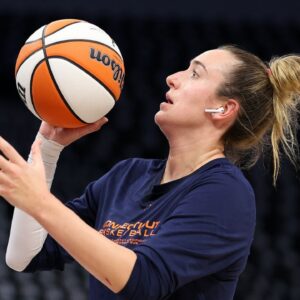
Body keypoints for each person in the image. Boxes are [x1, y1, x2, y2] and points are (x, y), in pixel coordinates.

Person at [1, 45, 299, 300]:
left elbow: (142, 281)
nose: (172, 78)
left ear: (223, 110)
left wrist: (40, 202)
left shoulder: (225, 195)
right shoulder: (127, 176)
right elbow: (24, 257)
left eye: (195, 73)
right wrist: (47, 149)